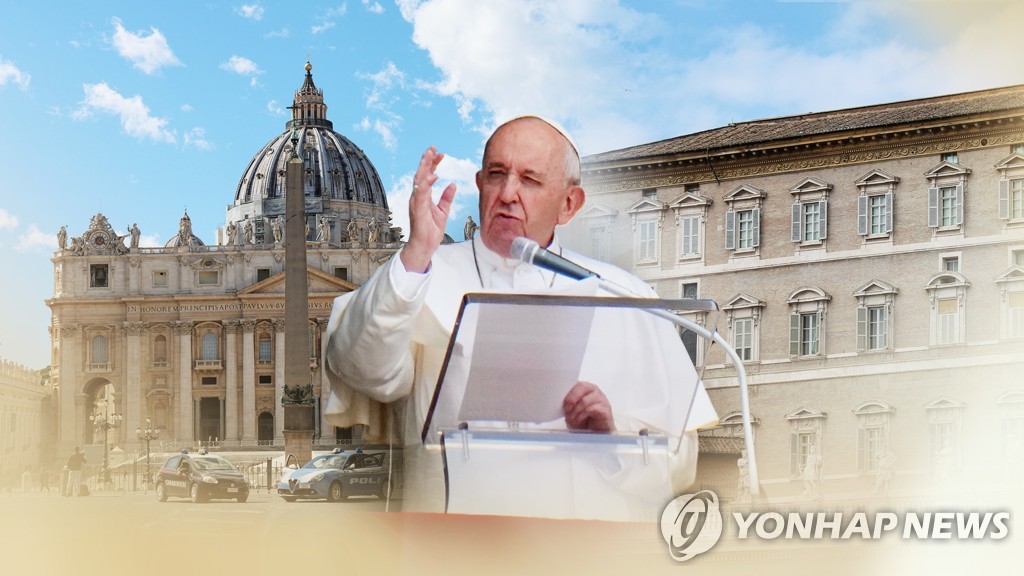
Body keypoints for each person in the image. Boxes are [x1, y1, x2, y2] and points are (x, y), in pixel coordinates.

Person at [323, 116, 717, 520]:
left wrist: (612, 434)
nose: (508, 193)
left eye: (530, 180)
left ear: (569, 204)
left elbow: (680, 464)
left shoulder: (625, 296)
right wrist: (416, 253)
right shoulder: (418, 275)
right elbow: (361, 369)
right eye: (497, 175)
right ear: (479, 184)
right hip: (451, 548)